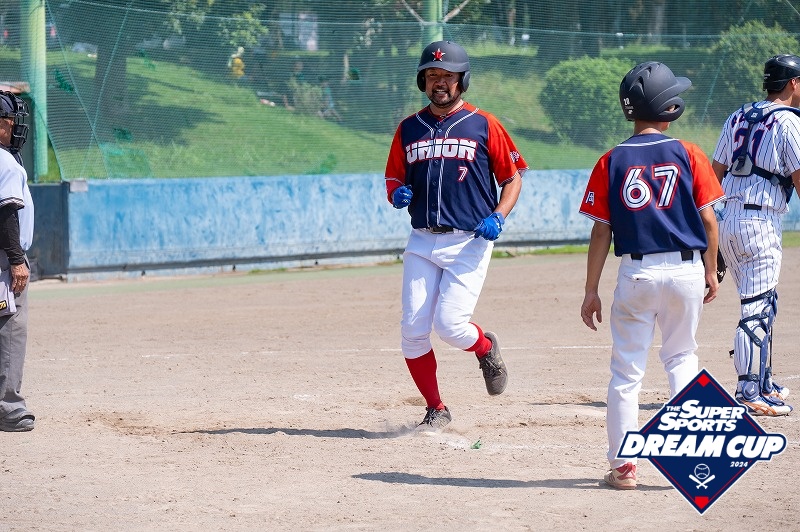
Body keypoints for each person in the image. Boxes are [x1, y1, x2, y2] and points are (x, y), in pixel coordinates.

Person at [579, 62, 725, 489]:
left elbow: (601, 230)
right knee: (681, 359)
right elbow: (709, 220)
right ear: (668, 106)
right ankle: (695, 462)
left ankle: (624, 467)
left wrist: (591, 289)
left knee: (627, 374)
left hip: (636, 274)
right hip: (685, 270)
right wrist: (710, 269)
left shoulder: (611, 159)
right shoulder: (688, 152)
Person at [384, 40, 527, 430]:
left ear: (462, 80)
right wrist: (396, 193)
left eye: (447, 75)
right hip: (422, 240)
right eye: (432, 75)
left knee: (449, 326)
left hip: (469, 240)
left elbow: (513, 177)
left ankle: (485, 347)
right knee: (413, 331)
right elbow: (393, 176)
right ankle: (436, 408)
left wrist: (499, 214)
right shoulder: (409, 128)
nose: (439, 82)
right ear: (423, 81)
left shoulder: (484, 124)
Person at [710, 54, 800, 417]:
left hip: (729, 218)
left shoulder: (738, 115)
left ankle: (763, 382)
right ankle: (748, 390)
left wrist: (713, 231)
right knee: (756, 308)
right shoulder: (789, 121)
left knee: (765, 302)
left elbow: (714, 172)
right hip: (760, 221)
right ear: (793, 83)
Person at [0, 91, 35, 432]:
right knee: (10, 329)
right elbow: (8, 212)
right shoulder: (5, 162)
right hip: (5, 260)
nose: (15, 128)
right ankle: (8, 408)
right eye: (11, 122)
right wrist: (16, 261)